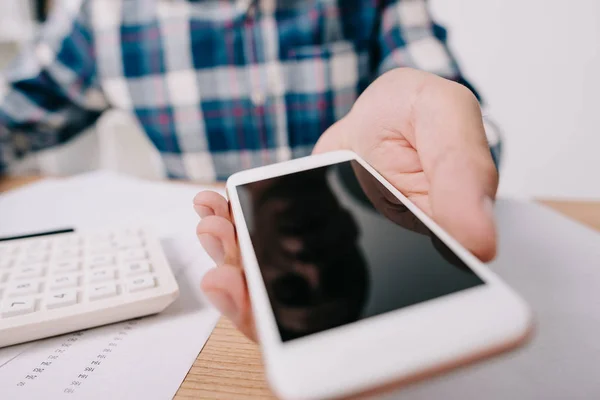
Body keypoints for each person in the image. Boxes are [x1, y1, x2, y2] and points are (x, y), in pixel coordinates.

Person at [0, 1, 500, 340]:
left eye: (291, 289)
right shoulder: (99, 13)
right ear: (347, 232)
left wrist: (456, 153)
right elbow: (13, 116)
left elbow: (452, 116)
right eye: (328, 271)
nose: (305, 259)